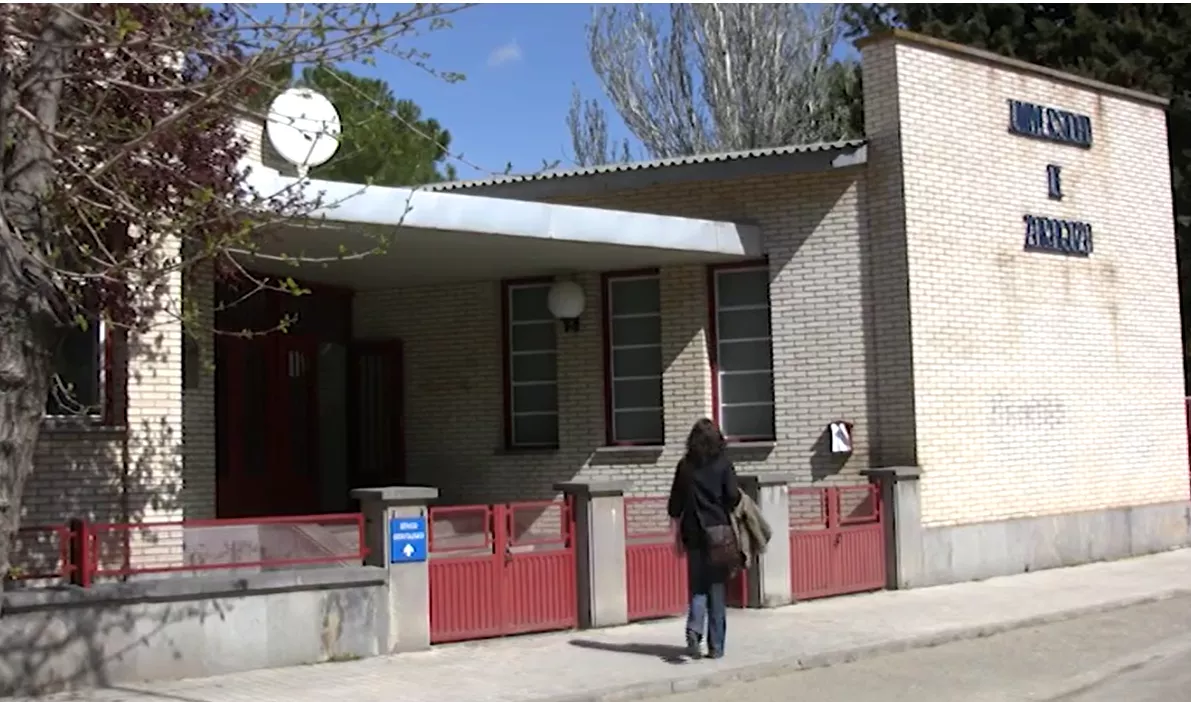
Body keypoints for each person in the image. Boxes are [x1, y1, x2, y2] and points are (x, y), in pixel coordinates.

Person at [667, 418, 741, 660]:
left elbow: (675, 505)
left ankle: (694, 628)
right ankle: (716, 647)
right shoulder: (723, 464)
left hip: (693, 533)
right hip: (718, 533)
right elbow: (732, 496)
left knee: (698, 586)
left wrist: (676, 536)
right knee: (717, 591)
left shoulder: (685, 466)